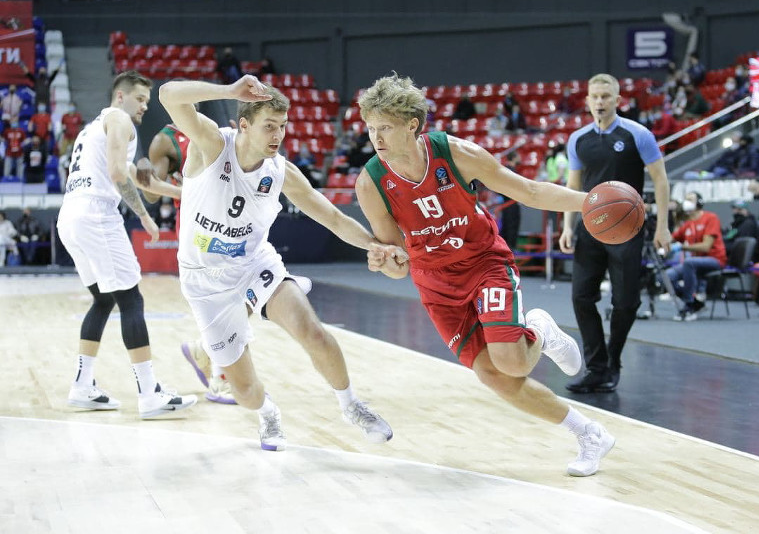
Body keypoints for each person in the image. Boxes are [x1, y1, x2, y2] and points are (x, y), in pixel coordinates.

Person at [356, 73, 616, 477]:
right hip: (436, 284)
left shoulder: (456, 153)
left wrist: (591, 202)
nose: (376, 137)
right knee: (493, 375)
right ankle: (590, 434)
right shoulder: (371, 183)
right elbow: (398, 262)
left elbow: (529, 191)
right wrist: (384, 263)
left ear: (412, 124)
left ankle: (539, 331)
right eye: (371, 128)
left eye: (385, 127)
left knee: (512, 361)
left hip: (483, 264)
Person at [158, 74, 398, 452]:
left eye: (282, 126)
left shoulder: (280, 171)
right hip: (205, 281)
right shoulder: (211, 144)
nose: (278, 135)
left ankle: (352, 405)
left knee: (311, 331)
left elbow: (333, 218)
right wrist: (228, 91)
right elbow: (168, 94)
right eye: (269, 126)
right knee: (244, 390)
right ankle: (267, 411)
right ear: (244, 125)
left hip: (255, 264)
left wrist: (373, 245)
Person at [56, 71, 197, 418]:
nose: (145, 106)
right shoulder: (119, 120)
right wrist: (144, 215)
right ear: (120, 97)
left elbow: (137, 177)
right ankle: (149, 394)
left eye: (147, 100)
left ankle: (82, 385)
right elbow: (119, 175)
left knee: (104, 299)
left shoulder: (94, 128)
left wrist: (184, 193)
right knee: (132, 299)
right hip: (96, 215)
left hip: (70, 216)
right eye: (140, 99)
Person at [560, 73, 671, 394]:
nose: (600, 102)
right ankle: (597, 367)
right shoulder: (578, 139)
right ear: (587, 101)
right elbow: (573, 186)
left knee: (625, 302)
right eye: (595, 97)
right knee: (581, 297)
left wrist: (663, 226)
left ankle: (613, 360)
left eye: (606, 96)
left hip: (627, 228)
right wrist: (567, 225)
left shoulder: (638, 134)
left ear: (618, 100)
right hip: (590, 226)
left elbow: (660, 180)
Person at [141, 121, 238, 404]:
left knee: (242, 297)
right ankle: (220, 378)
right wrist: (146, 169)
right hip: (197, 225)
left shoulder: (217, 131)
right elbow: (150, 194)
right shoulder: (166, 139)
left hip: (230, 221)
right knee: (220, 298)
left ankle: (205, 349)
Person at [666, 192, 727, 321]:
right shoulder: (688, 223)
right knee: (667, 276)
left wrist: (681, 247)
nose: (686, 202)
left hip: (715, 260)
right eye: (686, 199)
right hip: (695, 262)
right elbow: (671, 238)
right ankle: (696, 304)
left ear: (699, 203)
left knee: (689, 262)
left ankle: (688, 305)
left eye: (690, 199)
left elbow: (706, 247)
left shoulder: (710, 218)